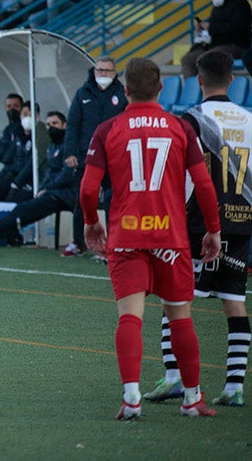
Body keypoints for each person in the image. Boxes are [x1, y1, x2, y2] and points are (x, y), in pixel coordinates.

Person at [79, 57, 221, 420]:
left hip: (127, 236)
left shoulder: (108, 128)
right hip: (170, 237)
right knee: (181, 319)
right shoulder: (179, 128)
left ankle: (131, 398)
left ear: (125, 90)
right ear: (160, 89)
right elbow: (204, 185)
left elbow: (88, 189)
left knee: (130, 317)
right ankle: (192, 399)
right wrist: (213, 229)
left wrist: (91, 221)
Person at [143, 50, 252, 407]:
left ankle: (174, 377)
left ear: (198, 80)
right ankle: (234, 387)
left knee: (174, 301)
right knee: (235, 304)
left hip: (199, 224)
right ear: (234, 81)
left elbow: (182, 176)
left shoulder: (189, 119)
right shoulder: (250, 120)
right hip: (241, 221)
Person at [0, 111, 74, 246]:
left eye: (55, 123)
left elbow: (66, 175)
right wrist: (43, 189)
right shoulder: (52, 146)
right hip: (53, 192)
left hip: (65, 194)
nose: (51, 127)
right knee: (22, 210)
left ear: (64, 125)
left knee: (23, 210)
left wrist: (47, 188)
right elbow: (50, 173)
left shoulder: (69, 146)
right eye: (48, 125)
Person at [63, 57, 127, 257]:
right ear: (94, 71)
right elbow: (73, 124)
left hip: (114, 156)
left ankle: (112, 244)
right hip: (87, 155)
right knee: (82, 199)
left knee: (112, 199)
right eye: (100, 70)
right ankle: (78, 243)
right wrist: (70, 152)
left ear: (115, 73)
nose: (104, 74)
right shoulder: (83, 93)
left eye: (108, 71)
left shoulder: (122, 94)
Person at [182, 0, 252, 77]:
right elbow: (214, 25)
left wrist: (211, 27)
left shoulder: (240, 5)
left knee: (208, 58)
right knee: (188, 59)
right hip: (214, 44)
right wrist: (203, 28)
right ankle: (194, 89)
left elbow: (235, 28)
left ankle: (211, 88)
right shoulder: (218, 6)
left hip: (235, 45)